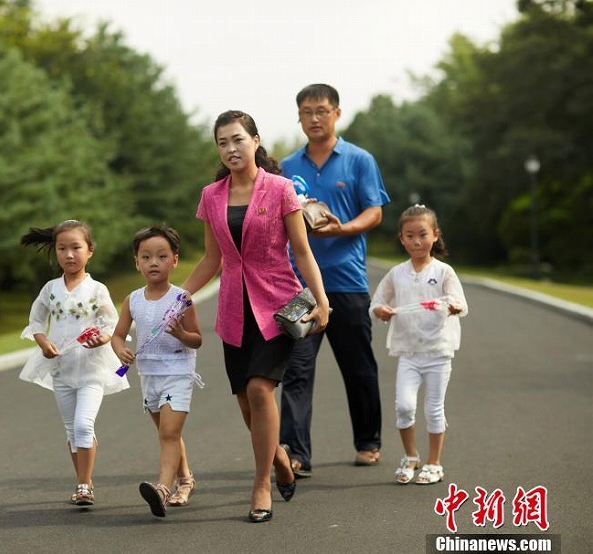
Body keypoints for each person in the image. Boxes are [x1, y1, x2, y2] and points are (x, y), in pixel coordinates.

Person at [181, 110, 329, 523]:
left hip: (277, 305)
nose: (231, 148)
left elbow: (302, 251)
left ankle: (261, 483)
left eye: (238, 139)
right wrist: (179, 296)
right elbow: (212, 258)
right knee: (245, 402)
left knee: (262, 390)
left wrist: (322, 301)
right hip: (233, 308)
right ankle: (279, 456)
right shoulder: (211, 195)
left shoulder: (281, 189)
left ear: (255, 141)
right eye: (222, 142)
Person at [278, 83, 390, 478]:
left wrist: (344, 230)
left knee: (358, 367)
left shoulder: (359, 160)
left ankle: (368, 441)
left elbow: (374, 211)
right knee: (296, 370)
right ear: (299, 116)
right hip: (299, 286)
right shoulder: (287, 166)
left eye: (321, 111)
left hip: (347, 282)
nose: (314, 118)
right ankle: (296, 454)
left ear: (337, 113)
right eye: (306, 112)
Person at [19, 219, 129, 506]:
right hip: (61, 370)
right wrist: (43, 344)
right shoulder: (50, 289)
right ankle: (83, 483)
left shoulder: (97, 290)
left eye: (76, 248)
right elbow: (35, 322)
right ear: (55, 252)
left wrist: (103, 339)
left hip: (92, 369)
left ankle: (84, 484)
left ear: (90, 251)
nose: (69, 254)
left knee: (83, 425)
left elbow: (112, 326)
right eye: (62, 248)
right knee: (71, 429)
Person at [370, 204, 468, 484]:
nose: (416, 241)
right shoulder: (396, 273)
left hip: (438, 352)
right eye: (409, 235)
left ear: (435, 235)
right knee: (403, 406)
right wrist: (380, 311)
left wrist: (453, 307)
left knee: (434, 408)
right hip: (409, 353)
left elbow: (459, 302)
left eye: (422, 234)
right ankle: (411, 456)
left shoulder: (444, 271)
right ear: (401, 238)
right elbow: (377, 302)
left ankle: (434, 463)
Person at [111, 225, 204, 517]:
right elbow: (118, 335)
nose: (154, 262)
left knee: (168, 432)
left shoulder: (182, 299)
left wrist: (180, 334)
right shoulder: (133, 300)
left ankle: (162, 490)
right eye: (146, 256)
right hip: (148, 376)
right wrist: (120, 350)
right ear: (136, 262)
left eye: (162, 256)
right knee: (169, 434)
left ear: (174, 260)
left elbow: (197, 339)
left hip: (178, 371)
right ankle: (185, 480)